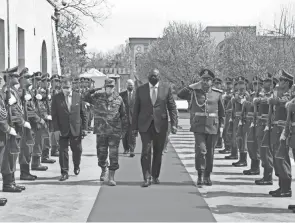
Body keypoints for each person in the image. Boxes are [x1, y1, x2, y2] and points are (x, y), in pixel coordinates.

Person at [178, 69, 225, 186]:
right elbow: (180, 94)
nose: (205, 82)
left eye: (208, 80)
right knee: (201, 150)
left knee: (210, 153)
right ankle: (200, 174)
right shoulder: (194, 92)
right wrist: (192, 86)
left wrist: (222, 127)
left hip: (213, 126)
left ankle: (207, 176)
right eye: (203, 79)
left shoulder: (217, 94)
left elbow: (222, 113)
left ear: (212, 82)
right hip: (198, 126)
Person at [132, 68, 178, 187]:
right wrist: (134, 127)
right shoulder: (141, 90)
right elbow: (136, 109)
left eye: (155, 75)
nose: (153, 77)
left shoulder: (165, 88)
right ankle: (146, 177)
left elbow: (172, 107)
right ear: (148, 77)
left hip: (161, 125)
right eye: (151, 75)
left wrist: (174, 124)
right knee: (146, 151)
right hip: (145, 125)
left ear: (159, 77)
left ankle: (155, 175)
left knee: (158, 152)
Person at [84, 78, 128, 186]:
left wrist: (124, 131)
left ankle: (111, 176)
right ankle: (103, 169)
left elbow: (123, 116)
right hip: (101, 131)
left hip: (114, 132)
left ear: (114, 87)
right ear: (105, 87)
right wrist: (94, 89)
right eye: (108, 86)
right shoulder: (97, 97)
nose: (110, 89)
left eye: (111, 86)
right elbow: (84, 97)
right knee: (101, 154)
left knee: (113, 154)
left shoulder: (119, 99)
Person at [51, 77, 87, 181]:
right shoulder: (56, 98)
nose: (67, 89)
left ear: (72, 86)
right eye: (65, 87)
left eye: (68, 87)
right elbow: (54, 115)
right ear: (62, 87)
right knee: (63, 151)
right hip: (62, 129)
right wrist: (56, 129)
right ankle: (64, 172)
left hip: (75, 128)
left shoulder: (77, 96)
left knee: (77, 149)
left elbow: (83, 113)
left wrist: (84, 128)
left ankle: (76, 165)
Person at [119, 79, 137, 157]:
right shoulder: (121, 95)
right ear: (126, 85)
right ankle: (126, 148)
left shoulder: (137, 95)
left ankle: (132, 150)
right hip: (124, 118)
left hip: (133, 118)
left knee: (132, 135)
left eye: (132, 85)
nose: (131, 86)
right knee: (125, 135)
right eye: (129, 85)